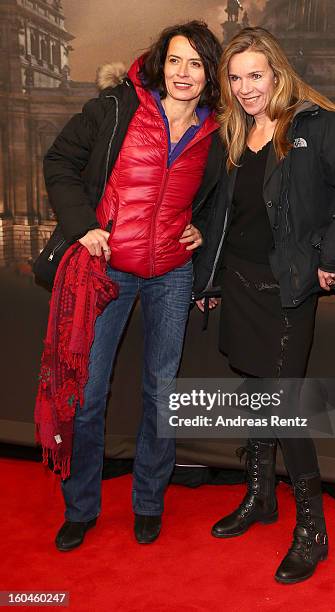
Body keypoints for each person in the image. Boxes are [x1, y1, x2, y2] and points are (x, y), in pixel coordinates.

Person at [193, 27, 335, 584]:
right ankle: (260, 497)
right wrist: (204, 263)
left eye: (256, 75)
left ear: (277, 73)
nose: (246, 88)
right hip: (241, 286)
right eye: (235, 78)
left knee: (282, 406)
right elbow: (222, 214)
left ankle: (313, 528)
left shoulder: (316, 127)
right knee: (255, 395)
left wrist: (334, 257)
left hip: (289, 290)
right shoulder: (231, 133)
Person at [40, 21, 222, 551]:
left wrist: (201, 227)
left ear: (209, 72)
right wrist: (83, 225)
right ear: (160, 63)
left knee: (162, 395)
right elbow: (60, 162)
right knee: (89, 396)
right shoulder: (118, 109)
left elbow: (218, 198)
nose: (184, 73)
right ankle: (81, 507)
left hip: (171, 273)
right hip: (108, 269)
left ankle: (148, 501)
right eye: (175, 61)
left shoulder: (216, 132)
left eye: (196, 63)